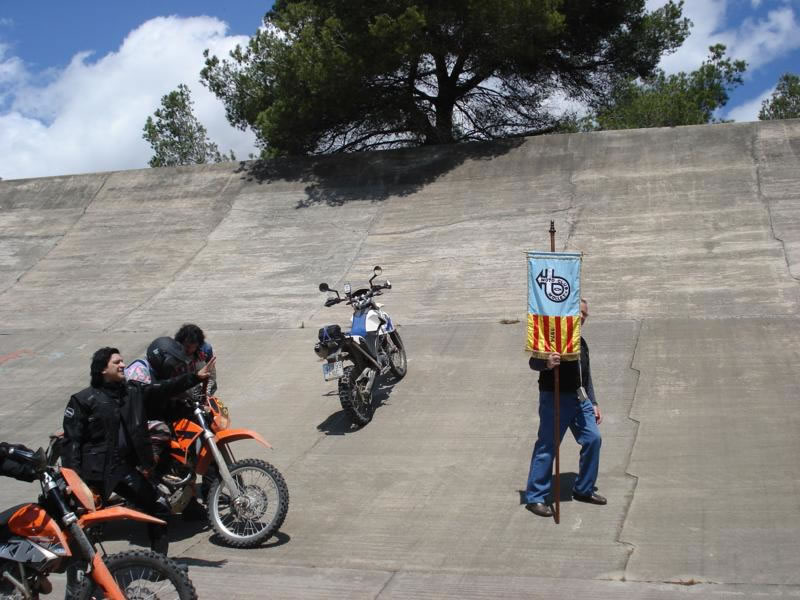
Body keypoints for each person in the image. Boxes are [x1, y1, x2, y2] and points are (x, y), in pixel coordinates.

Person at [61, 346, 216, 553]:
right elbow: (71, 444)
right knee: (82, 525)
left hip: (123, 469)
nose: (122, 365)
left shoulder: (132, 392)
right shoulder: (82, 400)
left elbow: (163, 388)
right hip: (94, 473)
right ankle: (79, 567)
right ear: (102, 369)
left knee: (159, 508)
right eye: (116, 362)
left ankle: (160, 564)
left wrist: (194, 377)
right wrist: (74, 481)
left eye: (122, 361)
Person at [523, 298, 604, 517]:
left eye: (585, 315)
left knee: (593, 439)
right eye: (580, 313)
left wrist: (593, 402)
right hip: (554, 398)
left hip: (580, 400)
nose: (582, 318)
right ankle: (535, 497)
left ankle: (583, 489)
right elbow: (533, 362)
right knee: (547, 445)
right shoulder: (553, 336)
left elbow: (586, 376)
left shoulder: (582, 342)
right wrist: (548, 363)